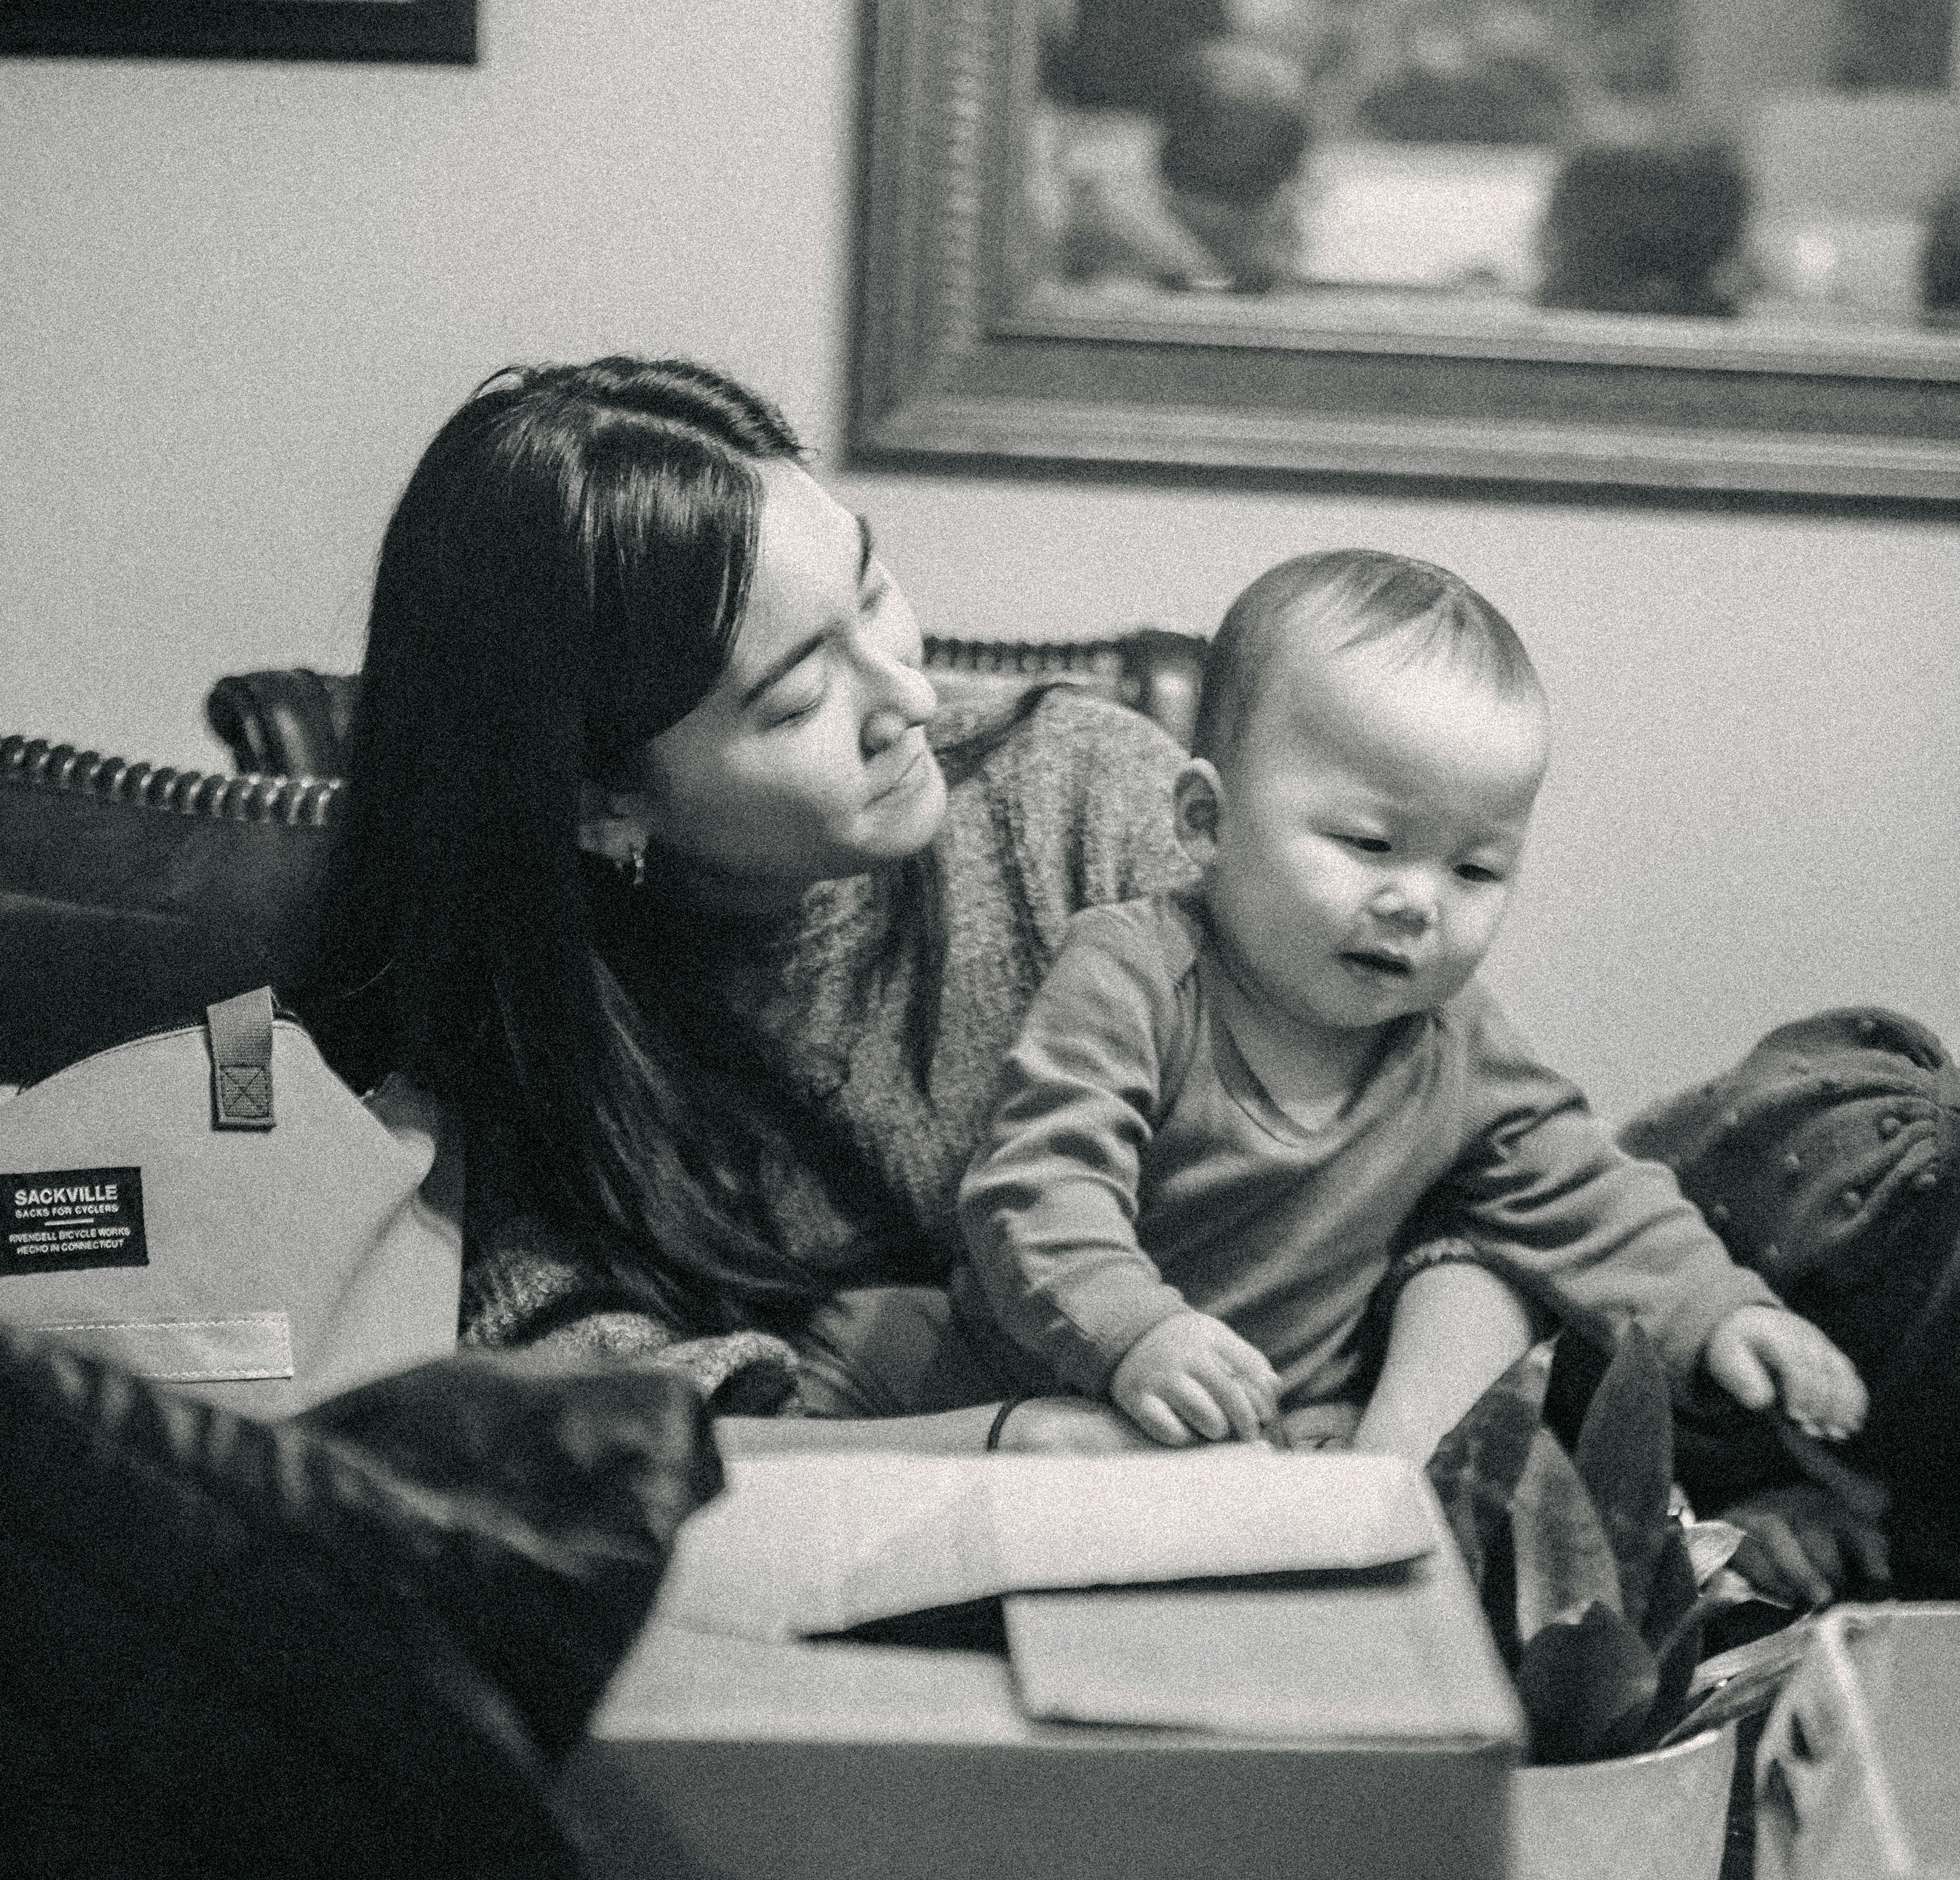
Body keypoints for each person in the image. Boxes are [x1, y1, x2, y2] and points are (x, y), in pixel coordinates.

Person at [305, 359, 1541, 1466]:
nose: (909, 696)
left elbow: (1485, 1175)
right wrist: (1001, 1443)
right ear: (601, 803)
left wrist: (1399, 1466)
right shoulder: (521, 1036)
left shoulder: (1082, 801)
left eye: (872, 591)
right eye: (799, 701)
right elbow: (588, 1419)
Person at [950, 549, 1869, 1457]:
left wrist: (1722, 1311)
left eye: (1475, 870)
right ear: (1206, 820)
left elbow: (1585, 1190)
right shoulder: (1133, 974)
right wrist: (1136, 1332)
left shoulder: (1455, 1040)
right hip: (1040, 1388)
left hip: (1285, 1430)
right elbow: (1040, 1184)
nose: (1419, 902)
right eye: (1369, 843)